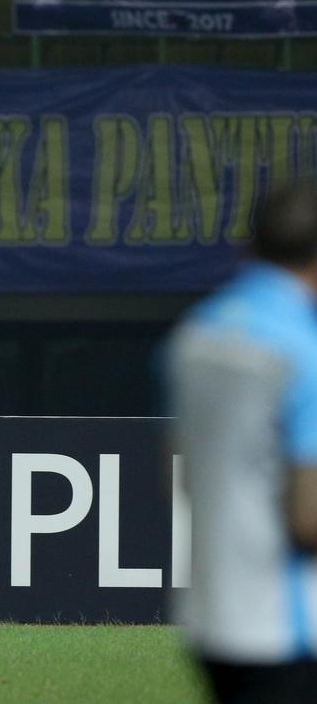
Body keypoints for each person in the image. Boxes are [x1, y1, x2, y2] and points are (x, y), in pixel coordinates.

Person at [164, 181, 317, 702]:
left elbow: (176, 480)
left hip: (211, 618)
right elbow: (307, 518)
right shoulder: (302, 348)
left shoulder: (194, 335)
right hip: (289, 624)